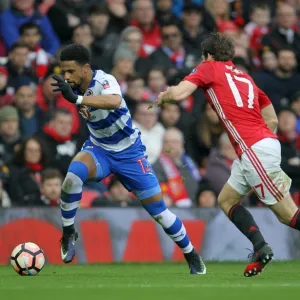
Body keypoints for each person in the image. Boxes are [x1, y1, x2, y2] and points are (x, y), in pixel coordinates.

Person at [51, 43, 206, 275]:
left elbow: (113, 101)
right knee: (73, 176)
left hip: (130, 154)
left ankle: (191, 254)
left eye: (70, 71)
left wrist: (77, 100)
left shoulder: (105, 80)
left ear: (85, 69)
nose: (66, 76)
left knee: (160, 213)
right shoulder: (73, 89)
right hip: (100, 148)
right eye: (63, 71)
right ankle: (68, 231)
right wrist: (75, 97)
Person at [158, 32, 300, 277]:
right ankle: (260, 247)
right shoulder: (246, 78)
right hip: (257, 148)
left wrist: (165, 95)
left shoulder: (208, 67)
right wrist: (263, 143)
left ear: (209, 55)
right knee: (226, 200)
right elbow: (272, 119)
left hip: (254, 149)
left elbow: (180, 94)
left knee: (289, 216)